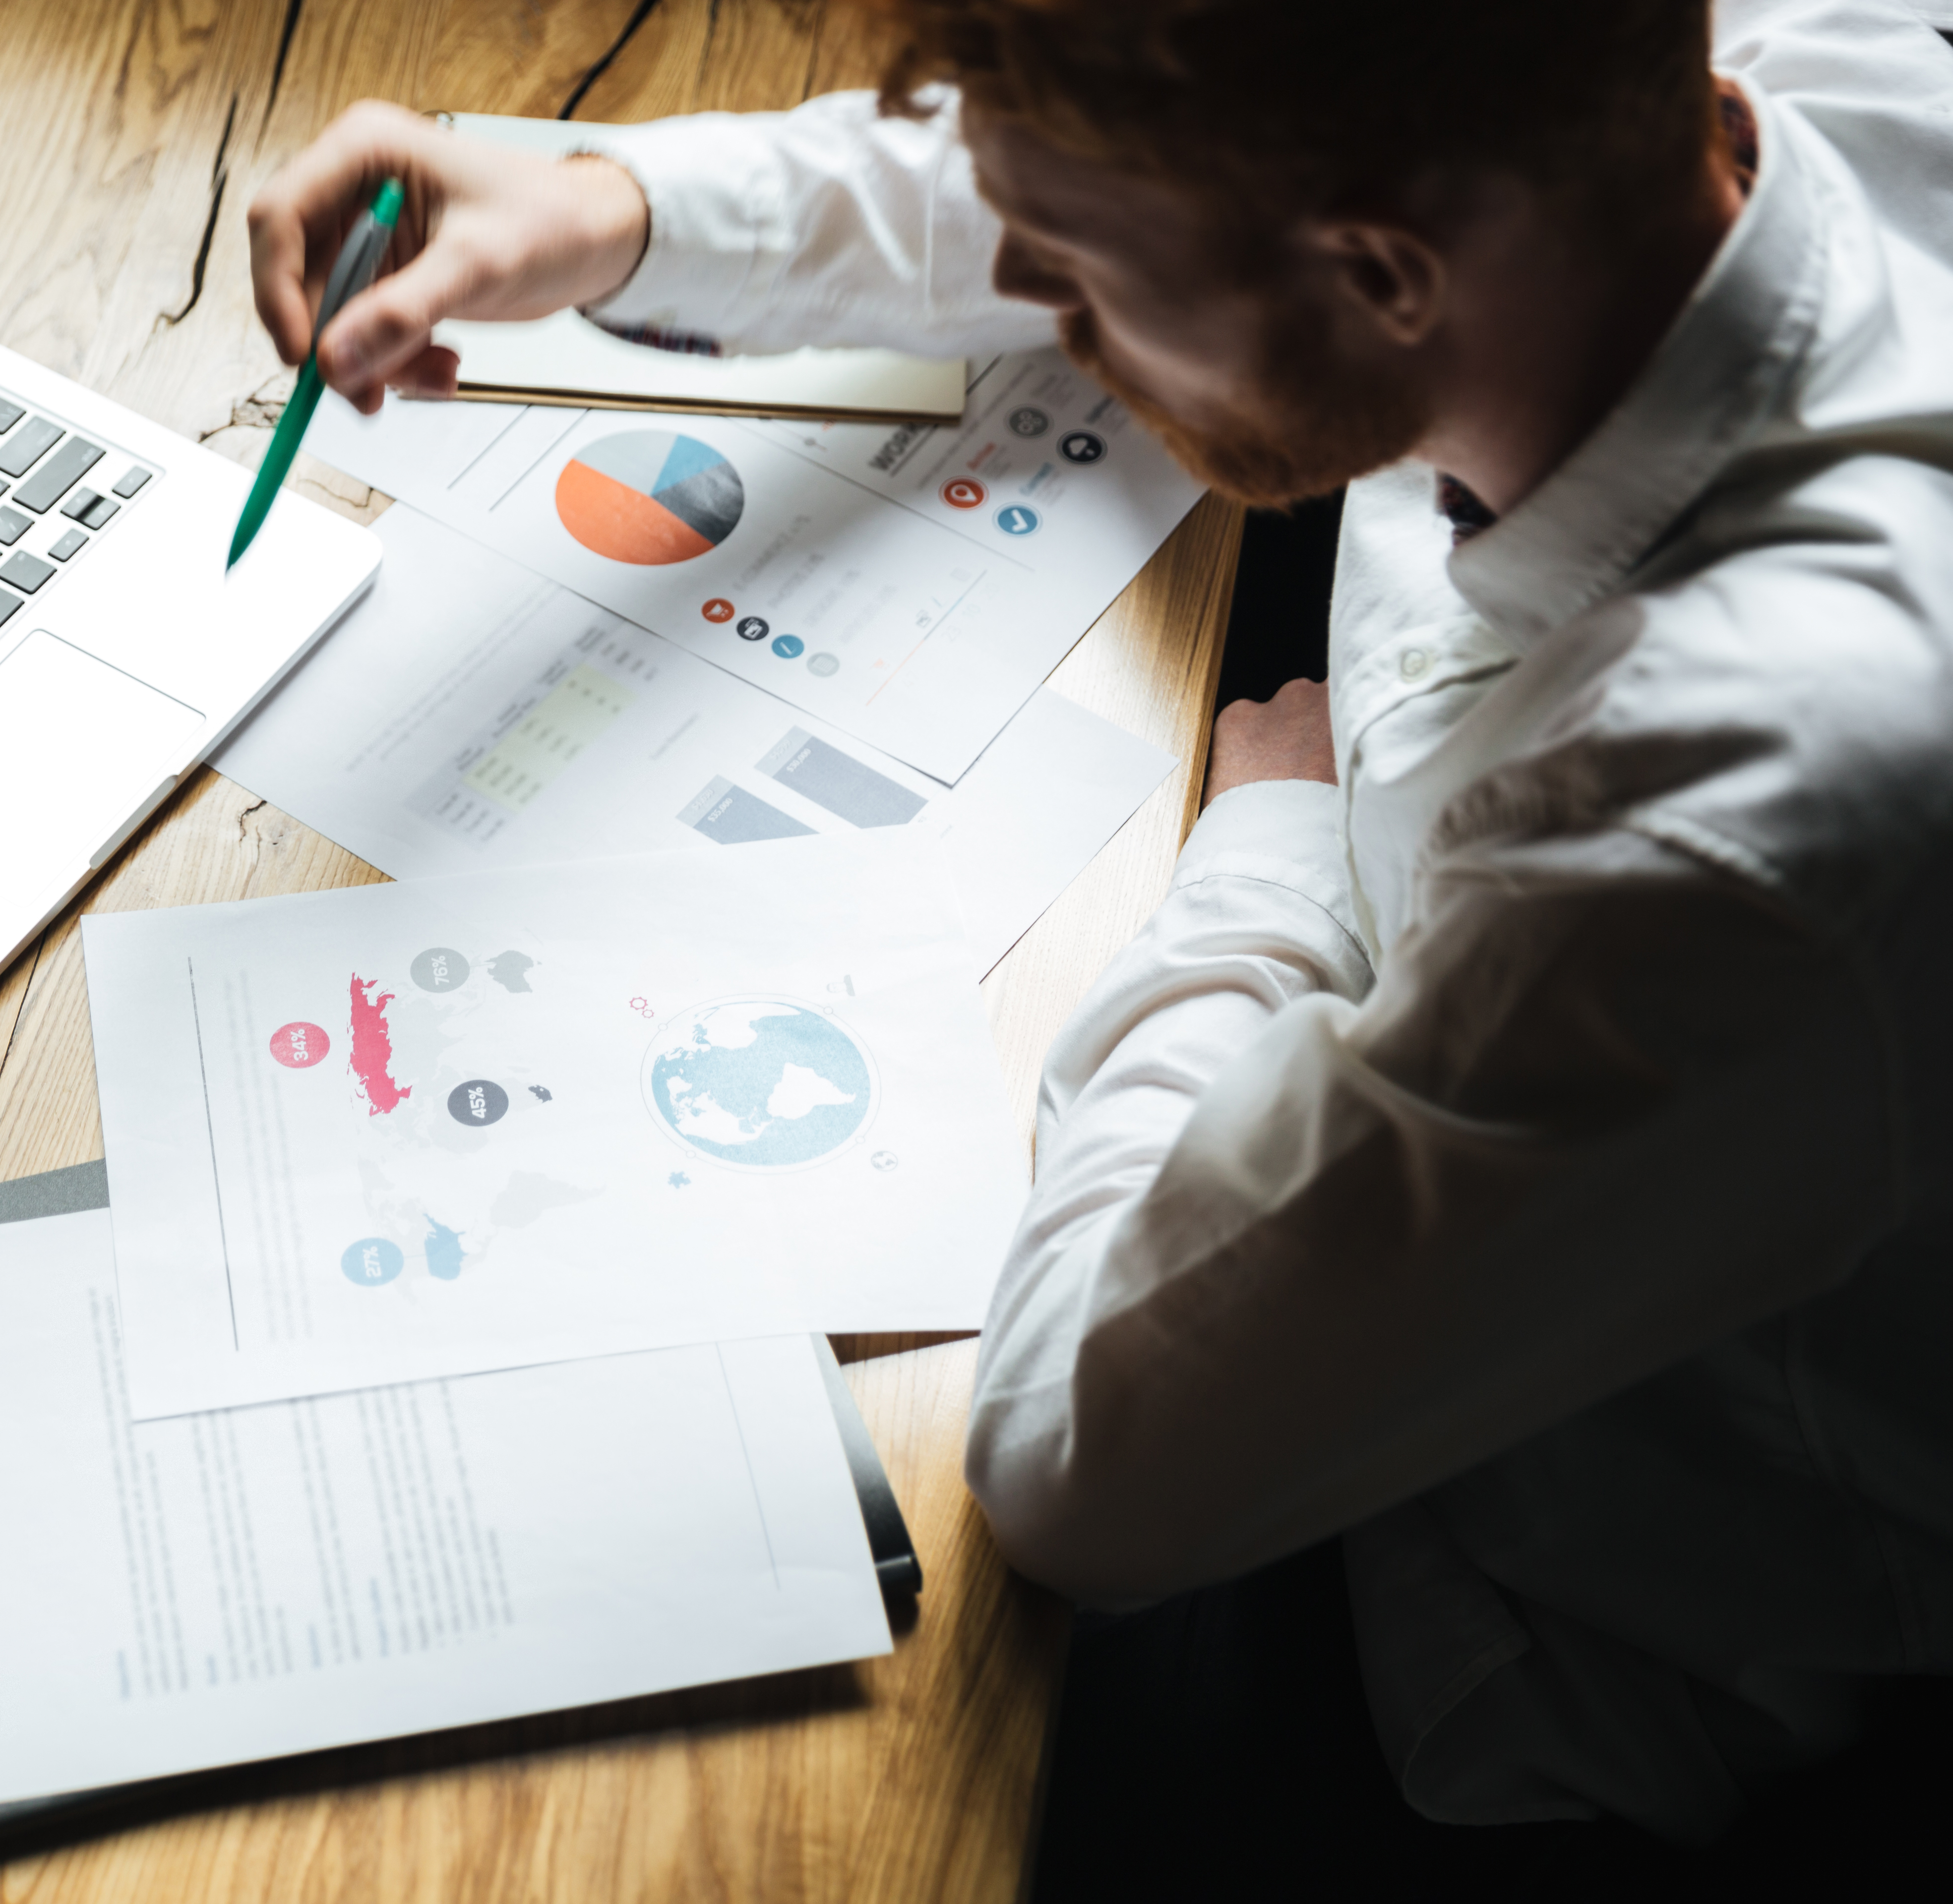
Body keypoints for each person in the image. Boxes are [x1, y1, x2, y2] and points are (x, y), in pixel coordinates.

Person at [247, 0, 1953, 1882]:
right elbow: (1170, 179)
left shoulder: (1723, 815)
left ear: (1382, 274)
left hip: (1541, 1609)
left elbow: (1082, 1469)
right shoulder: (1686, 116)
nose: (1056, 313)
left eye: (1082, 290)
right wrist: (608, 206)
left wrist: (1273, 855)